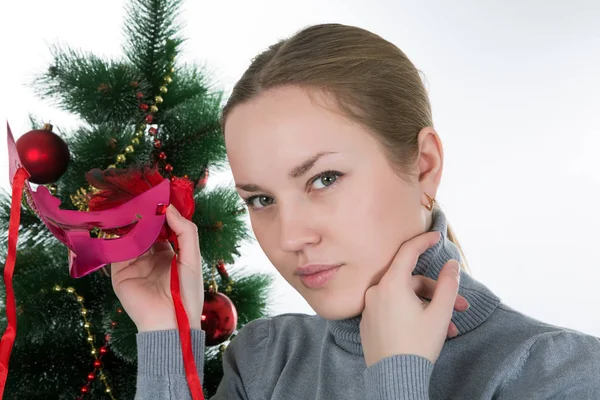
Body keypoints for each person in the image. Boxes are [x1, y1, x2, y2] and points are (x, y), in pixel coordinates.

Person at [112, 24, 600, 399]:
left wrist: (397, 376)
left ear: (424, 165)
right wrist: (166, 336)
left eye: (324, 179)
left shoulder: (558, 373)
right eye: (261, 199)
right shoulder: (266, 363)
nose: (290, 237)